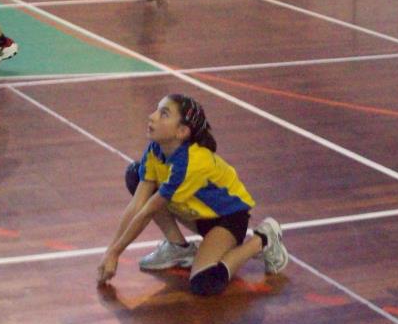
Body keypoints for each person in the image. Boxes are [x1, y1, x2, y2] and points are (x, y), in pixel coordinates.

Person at [97, 94, 289, 296]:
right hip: (197, 212)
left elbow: (147, 211)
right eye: (157, 110)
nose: (152, 116)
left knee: (204, 283)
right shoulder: (156, 149)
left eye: (164, 114)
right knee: (136, 175)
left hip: (228, 219)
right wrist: (111, 251)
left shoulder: (190, 164)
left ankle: (263, 240)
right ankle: (178, 247)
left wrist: (115, 253)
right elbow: (138, 204)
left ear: (182, 131)